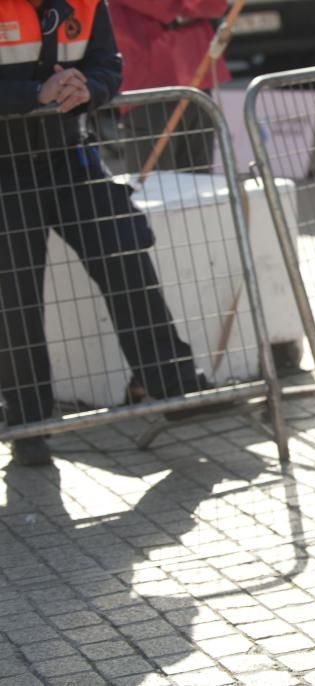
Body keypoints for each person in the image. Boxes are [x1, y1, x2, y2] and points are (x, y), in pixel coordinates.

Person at [1, 0, 220, 466]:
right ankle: (29, 424)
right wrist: (35, 93)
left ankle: (175, 386)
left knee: (124, 255)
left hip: (70, 156)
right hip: (6, 168)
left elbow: (108, 63)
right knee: (15, 296)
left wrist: (88, 87)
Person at [108, 0, 230, 172]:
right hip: (149, 80)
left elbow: (215, 5)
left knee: (200, 180)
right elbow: (162, 6)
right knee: (154, 185)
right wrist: (189, 11)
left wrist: (183, 10)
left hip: (195, 71)